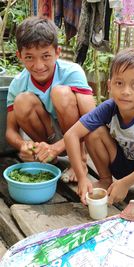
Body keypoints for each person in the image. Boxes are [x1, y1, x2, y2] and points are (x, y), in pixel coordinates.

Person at [64, 48, 134, 217]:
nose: (126, 91)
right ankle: (106, 179)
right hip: (119, 165)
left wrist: (126, 183)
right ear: (109, 86)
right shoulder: (108, 107)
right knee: (93, 132)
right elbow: (71, 135)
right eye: (119, 83)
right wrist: (82, 176)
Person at [6, 16, 95, 181]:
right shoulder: (17, 84)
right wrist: (23, 145)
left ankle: (80, 161)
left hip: (77, 136)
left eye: (46, 56)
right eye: (29, 57)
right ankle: (46, 155)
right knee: (22, 100)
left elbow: (93, 118)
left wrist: (59, 146)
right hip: (49, 135)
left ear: (57, 52)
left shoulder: (72, 72)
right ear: (19, 55)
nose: (39, 66)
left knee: (60, 93)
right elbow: (10, 131)